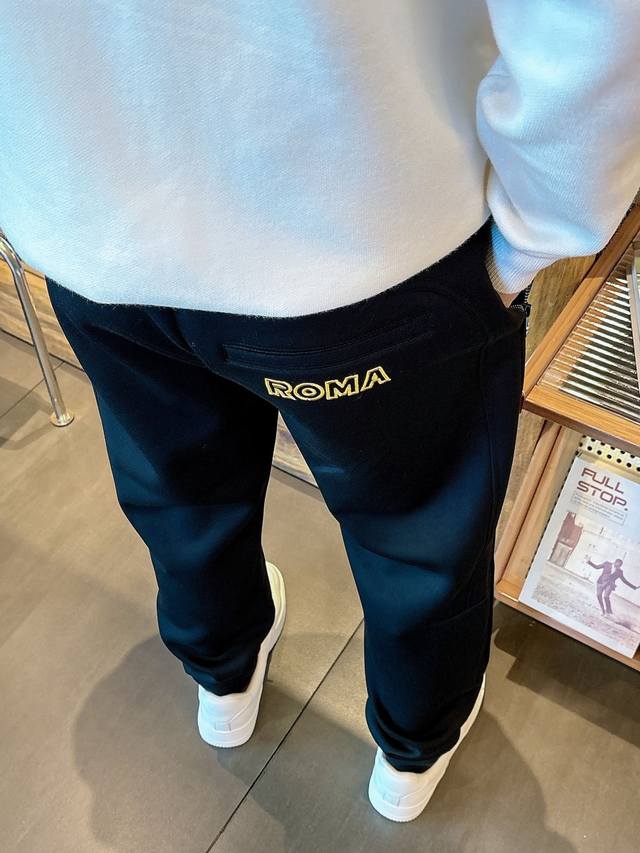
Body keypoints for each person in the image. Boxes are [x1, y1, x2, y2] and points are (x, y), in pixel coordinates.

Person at [1, 2, 639, 824]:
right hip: (359, 237)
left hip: (81, 210)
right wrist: (540, 228)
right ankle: (413, 745)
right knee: (414, 529)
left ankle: (222, 672)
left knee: (177, 483)